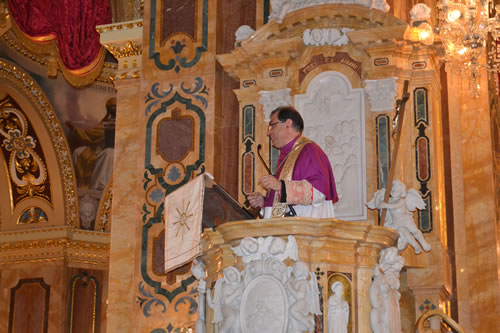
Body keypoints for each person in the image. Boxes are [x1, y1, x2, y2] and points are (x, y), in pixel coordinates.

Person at [247, 106, 338, 218]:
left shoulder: (309, 151)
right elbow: (283, 204)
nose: (268, 132)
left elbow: (318, 193)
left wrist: (280, 186)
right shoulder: (287, 156)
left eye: (272, 125)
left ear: (288, 124)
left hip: (303, 230)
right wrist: (264, 202)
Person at [66, 97, 116, 191]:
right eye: (112, 107)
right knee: (78, 151)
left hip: (117, 152)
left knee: (108, 154)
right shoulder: (105, 123)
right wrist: (75, 129)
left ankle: (99, 185)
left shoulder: (125, 123)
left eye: (115, 106)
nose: (114, 109)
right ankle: (76, 184)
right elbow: (92, 135)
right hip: (99, 149)